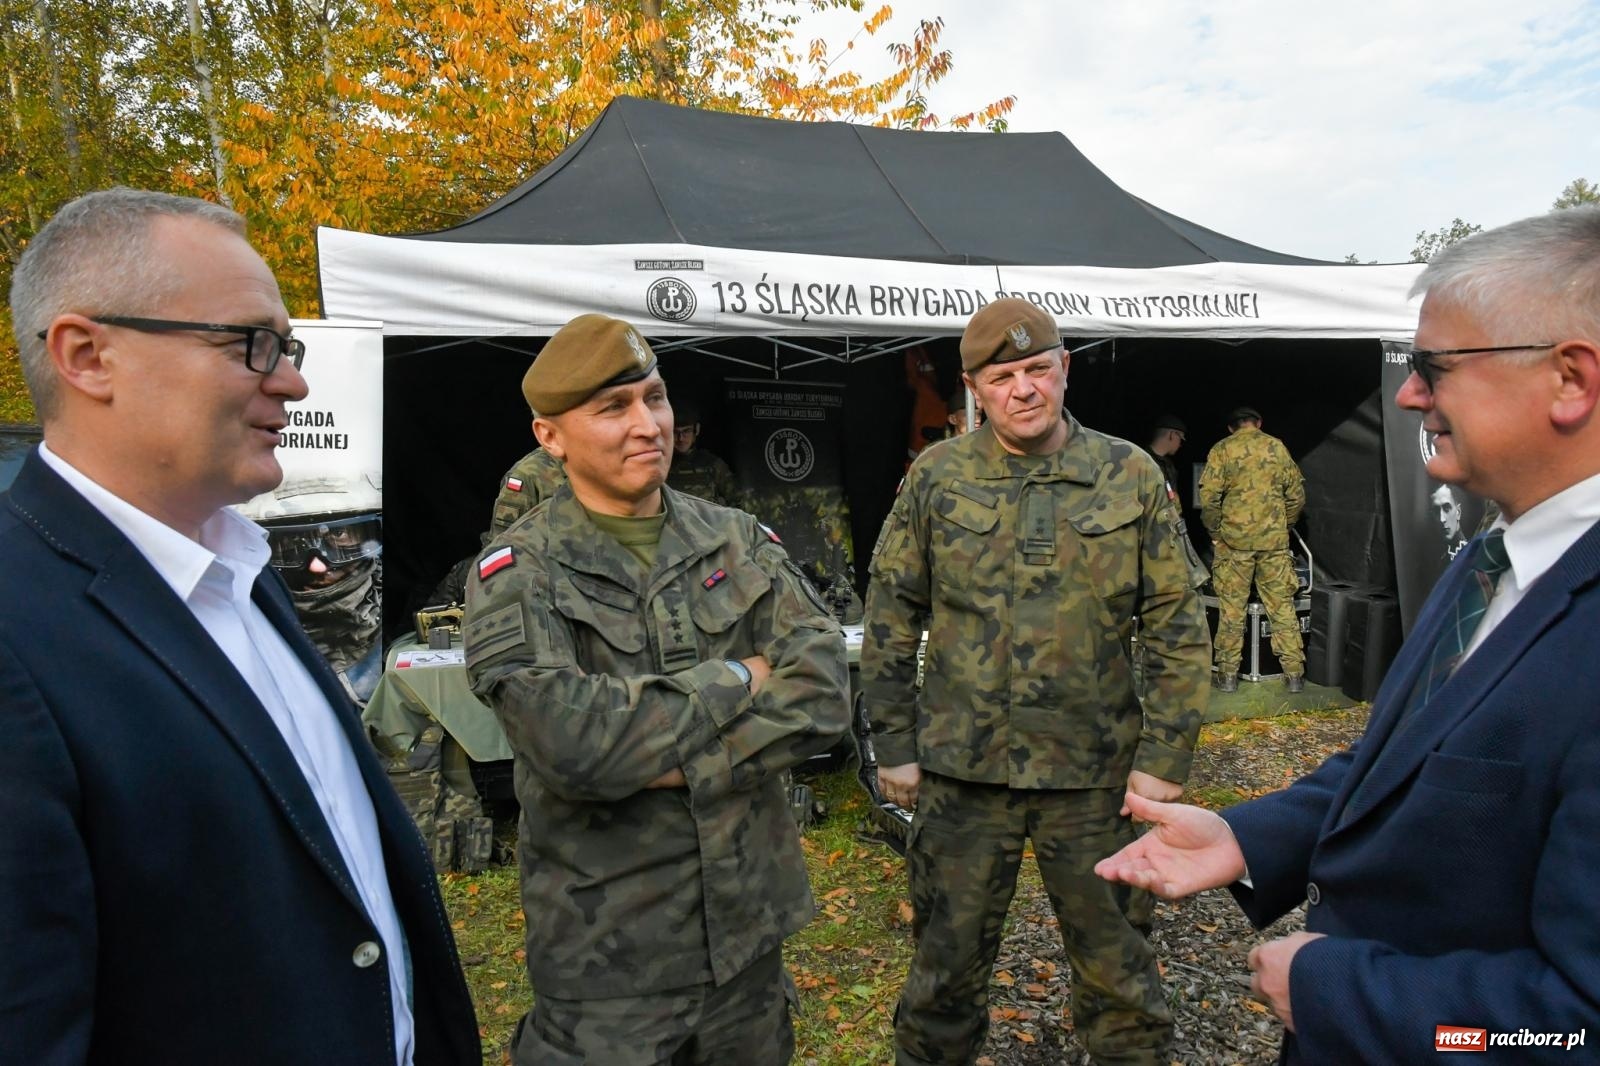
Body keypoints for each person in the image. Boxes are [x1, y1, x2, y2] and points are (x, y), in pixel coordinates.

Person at [1095, 206, 1600, 1064]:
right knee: (1281, 624)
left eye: (1434, 367)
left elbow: (1573, 1029)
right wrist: (1249, 838)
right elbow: (1406, 766)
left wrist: (1343, 993)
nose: (1407, 392)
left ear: (1570, 380)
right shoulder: (1492, 562)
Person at [0, 188, 479, 1064]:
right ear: (87, 355)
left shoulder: (242, 574)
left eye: (287, 347)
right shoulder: (18, 630)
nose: (292, 380)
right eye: (250, 344)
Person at [462, 313, 851, 1066]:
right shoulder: (521, 572)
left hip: (746, 941)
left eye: (656, 398)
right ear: (551, 436)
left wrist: (670, 753)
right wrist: (741, 675)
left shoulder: (734, 538)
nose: (648, 425)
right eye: (613, 408)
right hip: (610, 958)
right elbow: (573, 747)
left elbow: (826, 692)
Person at [861, 297, 1211, 1065]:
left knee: (1119, 977)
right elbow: (892, 613)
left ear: (1065, 371)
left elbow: (1178, 625)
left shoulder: (1128, 474)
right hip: (963, 774)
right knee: (943, 977)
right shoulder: (936, 477)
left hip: (1097, 777)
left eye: (1037, 370)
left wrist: (1165, 759)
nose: (1023, 389)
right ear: (973, 388)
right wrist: (894, 741)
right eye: (1003, 376)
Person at [1198, 406, 1306, 693]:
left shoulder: (1222, 449)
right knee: (1282, 607)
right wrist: (1283, 526)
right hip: (1273, 544)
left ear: (1231, 428)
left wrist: (1216, 533)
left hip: (1234, 545)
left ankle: (1228, 677)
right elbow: (1296, 495)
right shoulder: (1276, 447)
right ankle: (1294, 675)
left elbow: (1208, 499)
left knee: (1232, 610)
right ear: (1259, 423)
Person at [665, 394, 741, 505]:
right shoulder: (661, 465)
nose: (680, 438)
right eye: (675, 432)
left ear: (697, 430)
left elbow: (738, 503)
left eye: (686, 431)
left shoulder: (713, 465)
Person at [1145, 413, 1187, 491]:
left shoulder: (1168, 465)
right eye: (1181, 440)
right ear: (1172, 435)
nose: (1180, 445)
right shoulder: (1139, 460)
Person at [1430, 482, 1468, 560]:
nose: (1442, 519)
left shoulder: (1470, 556)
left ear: (1458, 512)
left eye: (1447, 509)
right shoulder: (1439, 560)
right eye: (1437, 511)